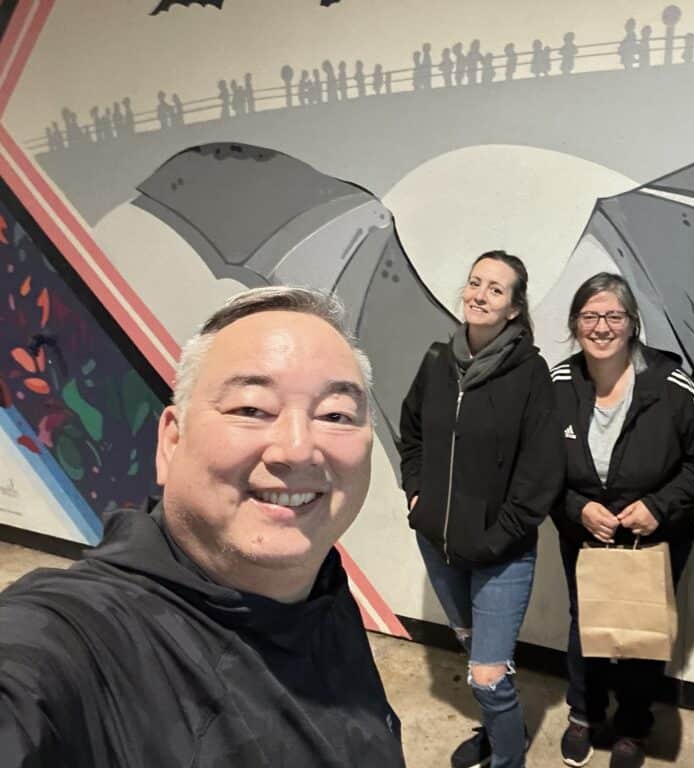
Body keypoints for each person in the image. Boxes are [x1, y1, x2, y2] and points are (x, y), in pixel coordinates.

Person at [0, 287, 406, 767]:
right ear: (171, 441)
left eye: (335, 415)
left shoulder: (319, 590)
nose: (297, 450)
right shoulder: (78, 640)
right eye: (251, 409)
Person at [399, 250, 563, 768]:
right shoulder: (436, 361)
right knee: (476, 659)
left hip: (501, 555)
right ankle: (497, 734)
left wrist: (498, 537)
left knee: (489, 675)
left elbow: (542, 471)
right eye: (475, 282)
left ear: (514, 308)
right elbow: (411, 431)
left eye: (496, 288)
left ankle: (508, 758)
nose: (480, 295)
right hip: (439, 545)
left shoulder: (530, 373)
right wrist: (416, 494)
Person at [550, 273, 694, 768]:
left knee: (643, 628)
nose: (602, 327)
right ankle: (584, 713)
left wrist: (658, 506)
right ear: (575, 324)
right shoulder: (557, 384)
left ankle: (634, 726)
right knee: (586, 623)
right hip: (584, 533)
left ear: (633, 323)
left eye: (613, 316)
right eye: (590, 316)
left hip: (655, 536)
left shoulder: (674, 387)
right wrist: (576, 507)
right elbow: (535, 468)